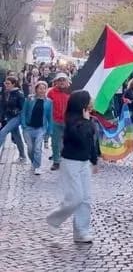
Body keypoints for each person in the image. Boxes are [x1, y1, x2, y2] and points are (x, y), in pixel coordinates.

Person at [45, 90, 100, 243]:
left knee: (86, 198)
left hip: (84, 162)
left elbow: (90, 143)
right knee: (75, 197)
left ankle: (81, 231)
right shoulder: (71, 120)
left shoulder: (87, 119)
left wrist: (94, 161)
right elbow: (81, 138)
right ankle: (53, 219)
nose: (92, 102)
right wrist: (87, 121)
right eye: (89, 100)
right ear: (82, 103)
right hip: (71, 162)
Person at [20, 81, 54, 175]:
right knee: (30, 148)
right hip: (28, 128)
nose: (42, 90)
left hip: (40, 128)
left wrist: (49, 130)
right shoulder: (29, 99)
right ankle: (33, 162)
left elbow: (50, 117)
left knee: (38, 148)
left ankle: (37, 166)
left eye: (44, 88)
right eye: (40, 88)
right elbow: (23, 112)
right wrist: (23, 125)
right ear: (36, 89)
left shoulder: (49, 102)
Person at [47, 73, 71, 171]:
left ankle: (66, 159)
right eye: (59, 80)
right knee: (55, 142)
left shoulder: (71, 91)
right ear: (56, 82)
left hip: (68, 121)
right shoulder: (51, 92)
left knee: (67, 142)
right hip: (55, 120)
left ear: (67, 81)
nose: (61, 82)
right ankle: (56, 161)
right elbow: (47, 106)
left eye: (63, 80)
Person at [0, 76, 27, 163]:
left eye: (8, 83)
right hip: (9, 117)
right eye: (5, 83)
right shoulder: (5, 93)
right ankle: (22, 156)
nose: (6, 85)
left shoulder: (19, 94)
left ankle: (23, 157)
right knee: (17, 136)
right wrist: (1, 118)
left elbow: (23, 108)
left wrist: (23, 122)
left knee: (3, 132)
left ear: (13, 84)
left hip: (17, 117)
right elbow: (2, 107)